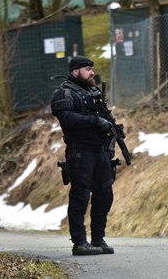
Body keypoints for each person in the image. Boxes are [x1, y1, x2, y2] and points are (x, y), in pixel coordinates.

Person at [51, 56, 115, 256]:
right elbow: (67, 118)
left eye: (91, 69)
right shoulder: (64, 93)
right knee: (80, 196)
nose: (91, 72)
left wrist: (111, 130)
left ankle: (98, 239)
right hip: (80, 150)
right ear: (75, 71)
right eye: (87, 69)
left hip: (99, 150)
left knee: (105, 194)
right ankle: (79, 242)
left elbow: (105, 116)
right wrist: (94, 121)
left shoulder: (94, 91)